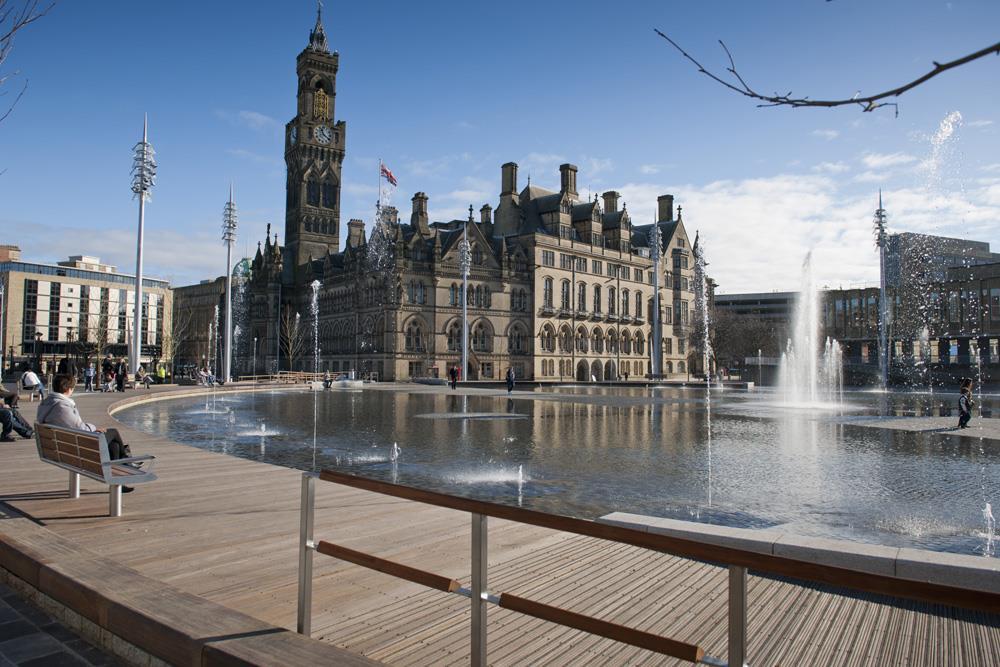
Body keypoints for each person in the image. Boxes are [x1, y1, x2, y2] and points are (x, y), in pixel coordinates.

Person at [36, 374, 136, 491]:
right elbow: (80, 429)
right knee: (113, 432)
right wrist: (93, 428)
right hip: (76, 448)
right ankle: (127, 461)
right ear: (69, 389)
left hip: (61, 447)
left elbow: (74, 426)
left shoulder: (47, 403)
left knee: (114, 446)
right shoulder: (62, 406)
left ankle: (119, 481)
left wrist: (92, 428)